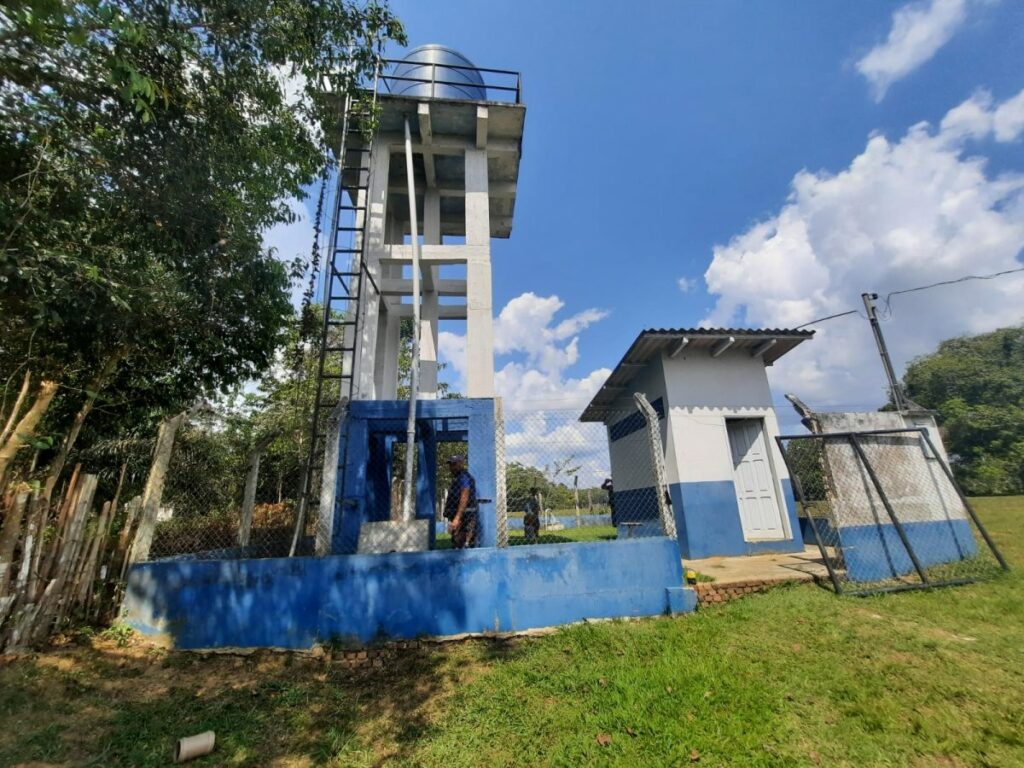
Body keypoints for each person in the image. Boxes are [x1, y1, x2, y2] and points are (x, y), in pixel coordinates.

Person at [444, 455, 478, 549]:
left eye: (454, 464)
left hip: (465, 515)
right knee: (457, 542)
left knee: (463, 543)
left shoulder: (463, 477)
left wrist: (457, 518)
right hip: (460, 514)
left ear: (461, 464)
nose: (452, 467)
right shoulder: (458, 478)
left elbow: (464, 496)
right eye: (450, 464)